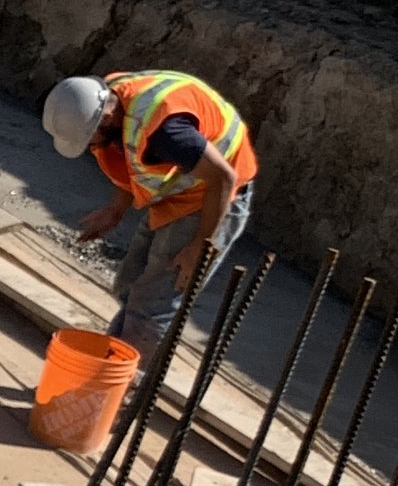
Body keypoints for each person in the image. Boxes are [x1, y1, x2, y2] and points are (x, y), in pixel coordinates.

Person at [42, 69, 258, 349]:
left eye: (89, 139)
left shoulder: (168, 134)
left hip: (214, 198)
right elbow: (129, 153)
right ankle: (115, 357)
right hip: (180, 190)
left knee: (152, 305)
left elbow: (223, 178)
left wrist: (200, 247)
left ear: (104, 119)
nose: (89, 147)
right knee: (129, 285)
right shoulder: (112, 98)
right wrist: (116, 209)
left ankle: (126, 384)